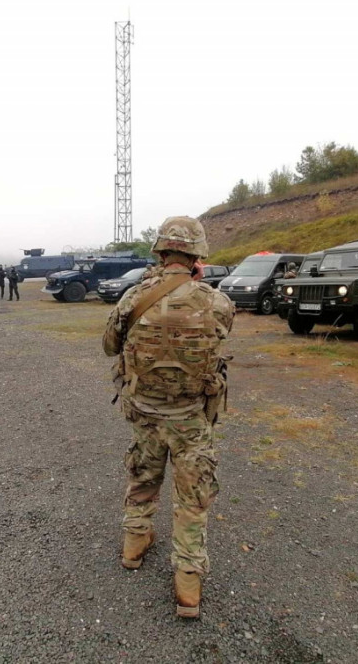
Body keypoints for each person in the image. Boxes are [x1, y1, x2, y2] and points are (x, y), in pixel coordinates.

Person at [102, 216, 235, 618]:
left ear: (160, 252)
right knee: (192, 498)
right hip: (190, 418)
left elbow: (110, 346)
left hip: (144, 413)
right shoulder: (218, 302)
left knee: (143, 475)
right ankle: (187, 585)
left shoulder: (133, 297)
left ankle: (134, 545)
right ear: (198, 256)